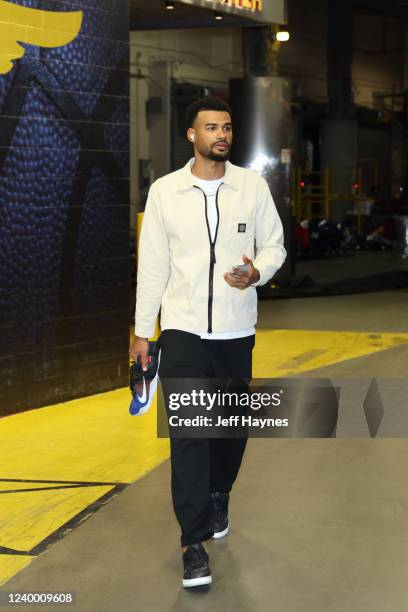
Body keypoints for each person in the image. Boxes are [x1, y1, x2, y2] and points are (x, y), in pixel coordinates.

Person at [130, 96, 286, 588]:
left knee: (230, 431)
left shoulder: (251, 187)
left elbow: (275, 243)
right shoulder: (165, 192)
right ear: (191, 136)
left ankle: (221, 491)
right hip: (183, 331)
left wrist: (258, 271)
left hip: (236, 332)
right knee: (191, 434)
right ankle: (192, 543)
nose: (222, 134)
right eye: (211, 128)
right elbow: (152, 265)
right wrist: (142, 331)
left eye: (227, 127)